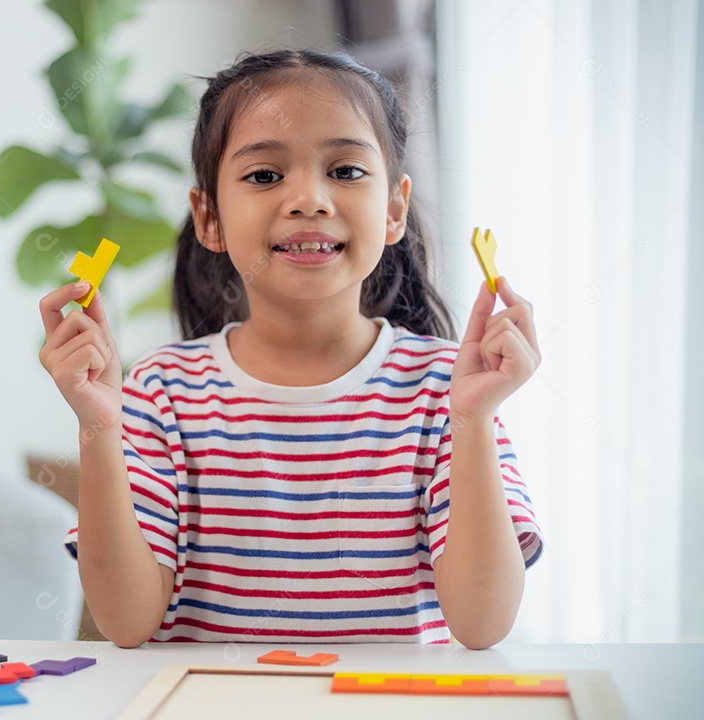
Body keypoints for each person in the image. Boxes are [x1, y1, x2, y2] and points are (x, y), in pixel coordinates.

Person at [39, 49, 543, 650]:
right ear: (209, 218)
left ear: (394, 208)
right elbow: (125, 621)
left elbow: (482, 625)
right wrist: (99, 426)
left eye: (346, 171)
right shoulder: (159, 392)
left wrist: (473, 419)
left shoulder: (446, 391)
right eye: (264, 176)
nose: (309, 198)